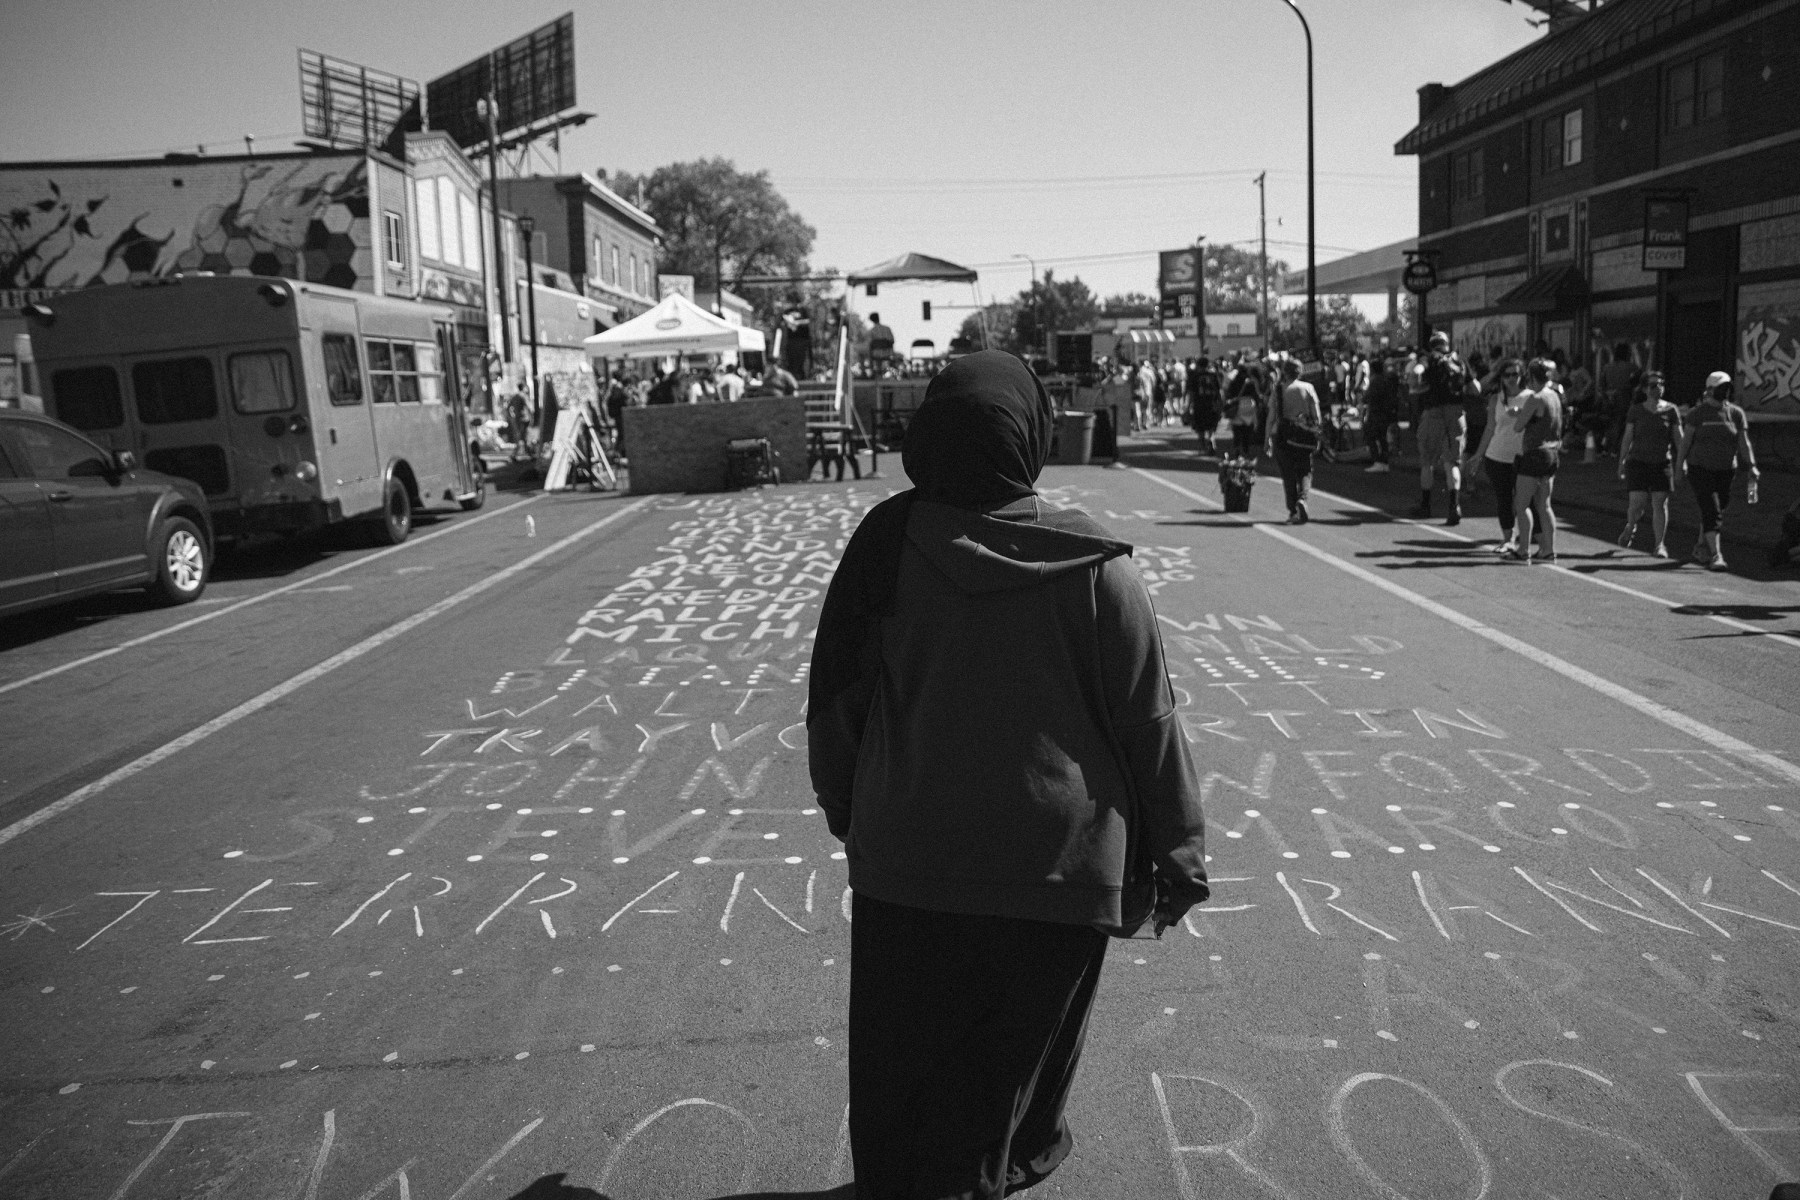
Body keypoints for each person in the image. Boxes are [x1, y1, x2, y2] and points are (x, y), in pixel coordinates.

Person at [808, 350, 1209, 1200]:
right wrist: (1179, 853)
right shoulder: (1098, 564)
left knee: (904, 1086)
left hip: (909, 862)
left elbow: (836, 701)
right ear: (1028, 433)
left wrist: (851, 810)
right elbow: (1150, 725)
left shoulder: (888, 542)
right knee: (1006, 1089)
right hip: (1055, 874)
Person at [1677, 370, 1759, 571]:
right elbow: (1685, 443)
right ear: (1710, 390)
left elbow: (1743, 442)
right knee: (1712, 510)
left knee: (1717, 509)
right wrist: (1679, 466)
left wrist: (1752, 466)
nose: (1726, 391)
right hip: (1700, 469)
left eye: (1728, 388)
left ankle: (1700, 547)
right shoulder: (1697, 414)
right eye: (1722, 388)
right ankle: (1716, 555)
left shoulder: (1735, 414)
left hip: (1725, 471)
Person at [1503, 358, 1563, 565]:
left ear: (1530, 378)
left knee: (1521, 504)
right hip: (1552, 453)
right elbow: (1543, 418)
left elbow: (1518, 427)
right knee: (1544, 505)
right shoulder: (1554, 396)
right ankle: (1548, 550)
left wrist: (1518, 414)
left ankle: (1523, 549)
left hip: (1534, 454)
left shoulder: (1535, 398)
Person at [1464, 358, 1527, 553]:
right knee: (1504, 498)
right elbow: (1490, 429)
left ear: (1522, 375)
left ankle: (1527, 539)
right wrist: (1478, 456)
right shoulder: (1496, 399)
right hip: (1497, 457)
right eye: (1506, 375)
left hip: (1523, 457)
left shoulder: (1531, 398)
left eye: (1515, 374)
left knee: (1525, 500)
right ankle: (1508, 539)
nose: (1511, 379)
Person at [1615, 371, 1680, 557]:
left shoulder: (1671, 410)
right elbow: (1628, 438)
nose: (1658, 388)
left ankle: (1660, 544)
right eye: (1653, 385)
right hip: (1638, 462)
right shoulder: (1636, 410)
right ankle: (1631, 526)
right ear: (1644, 389)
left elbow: (1678, 437)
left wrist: (1681, 461)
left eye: (1660, 384)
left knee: (1660, 504)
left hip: (1661, 463)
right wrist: (1621, 461)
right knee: (1637, 504)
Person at [1412, 331, 1470, 525]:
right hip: (1456, 413)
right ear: (1447, 344)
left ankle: (1426, 505)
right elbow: (1475, 388)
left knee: (1427, 461)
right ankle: (1454, 506)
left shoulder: (1429, 359)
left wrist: (1417, 381)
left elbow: (1417, 372)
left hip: (1434, 412)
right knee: (1452, 462)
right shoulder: (1459, 361)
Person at [1268, 357, 1322, 524]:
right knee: (1305, 470)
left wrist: (1266, 439)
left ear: (1284, 371)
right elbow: (1317, 417)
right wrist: (1317, 434)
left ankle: (1292, 511)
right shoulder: (1308, 388)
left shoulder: (1278, 390)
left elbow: (1271, 417)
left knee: (1288, 475)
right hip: (1304, 436)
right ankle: (1303, 499)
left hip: (1283, 436)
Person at [1362, 356, 1400, 473]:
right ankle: (1384, 462)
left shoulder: (1375, 381)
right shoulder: (1385, 379)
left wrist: (1364, 398)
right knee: (1383, 439)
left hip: (1376, 413)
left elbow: (1368, 397)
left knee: (1371, 437)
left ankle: (1378, 461)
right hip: (1385, 413)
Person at [1225, 359, 1264, 457]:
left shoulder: (1234, 380)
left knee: (1237, 429)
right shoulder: (1251, 381)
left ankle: (1237, 448)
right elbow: (1256, 394)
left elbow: (1229, 394)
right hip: (1249, 405)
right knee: (1247, 428)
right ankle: (1246, 449)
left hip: (1238, 405)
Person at [1189, 355, 1222, 454]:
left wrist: (1189, 406)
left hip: (1199, 404)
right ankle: (1211, 440)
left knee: (1200, 427)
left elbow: (1191, 393)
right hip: (1211, 403)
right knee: (1211, 426)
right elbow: (1218, 391)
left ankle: (1203, 447)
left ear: (1198, 365)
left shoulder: (1195, 376)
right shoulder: (1213, 376)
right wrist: (1219, 403)